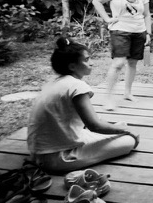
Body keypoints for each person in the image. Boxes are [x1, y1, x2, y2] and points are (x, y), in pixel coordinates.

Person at [27, 37, 139, 174]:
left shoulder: (54, 82)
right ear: (72, 66)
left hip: (39, 152)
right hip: (58, 157)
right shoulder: (76, 86)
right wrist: (127, 131)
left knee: (120, 126)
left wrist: (120, 128)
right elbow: (94, 126)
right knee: (128, 140)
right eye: (86, 60)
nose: (92, 63)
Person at [92, 0, 152, 106]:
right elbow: (97, 1)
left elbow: (147, 14)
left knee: (132, 63)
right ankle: (108, 98)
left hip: (139, 31)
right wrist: (107, 19)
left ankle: (127, 93)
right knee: (118, 63)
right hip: (120, 30)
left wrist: (148, 33)